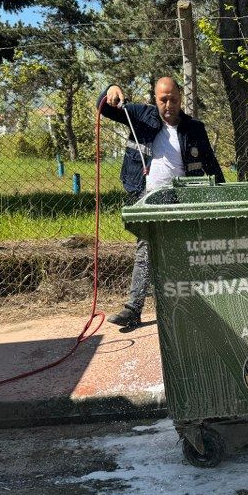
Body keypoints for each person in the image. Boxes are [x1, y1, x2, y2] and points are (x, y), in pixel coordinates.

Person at [97, 77, 225, 328]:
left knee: (186, 250)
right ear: (155, 99)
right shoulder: (140, 116)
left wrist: (221, 197)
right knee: (146, 249)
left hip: (183, 198)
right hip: (149, 197)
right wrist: (110, 89)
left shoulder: (194, 128)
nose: (169, 104)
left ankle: (193, 306)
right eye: (163, 99)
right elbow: (104, 108)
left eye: (173, 99)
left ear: (180, 99)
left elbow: (211, 165)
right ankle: (134, 308)